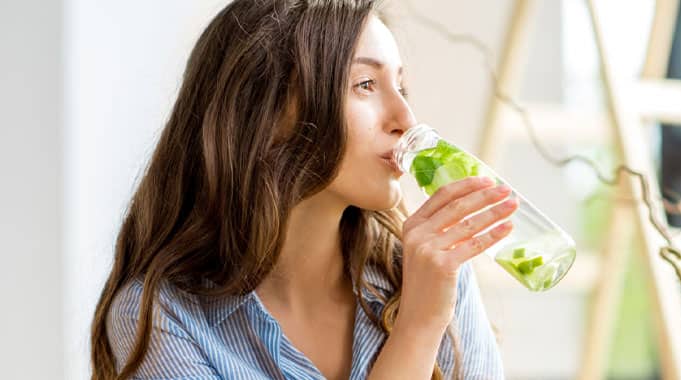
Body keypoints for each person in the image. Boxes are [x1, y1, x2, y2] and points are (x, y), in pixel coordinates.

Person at [89, 1, 516, 379]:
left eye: (401, 88)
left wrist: (426, 309)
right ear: (266, 112)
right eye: (365, 84)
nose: (406, 117)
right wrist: (418, 329)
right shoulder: (162, 319)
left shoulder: (429, 276)